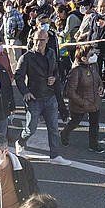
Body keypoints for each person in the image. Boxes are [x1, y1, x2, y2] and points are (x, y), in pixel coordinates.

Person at [14, 27, 71, 164]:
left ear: (47, 40)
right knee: (31, 128)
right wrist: (25, 92)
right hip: (34, 98)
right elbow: (18, 76)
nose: (39, 43)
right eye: (36, 40)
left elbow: (56, 70)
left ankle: (55, 155)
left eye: (42, 40)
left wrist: (54, 78)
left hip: (50, 97)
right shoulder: (26, 57)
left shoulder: (51, 53)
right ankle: (20, 141)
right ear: (33, 40)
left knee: (53, 128)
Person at [60, 44, 104, 153]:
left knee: (94, 124)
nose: (95, 56)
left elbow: (97, 79)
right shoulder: (76, 71)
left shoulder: (94, 66)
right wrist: (83, 102)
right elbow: (70, 92)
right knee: (75, 122)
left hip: (94, 100)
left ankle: (93, 144)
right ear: (83, 58)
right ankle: (64, 133)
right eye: (92, 54)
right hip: (80, 103)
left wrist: (101, 86)